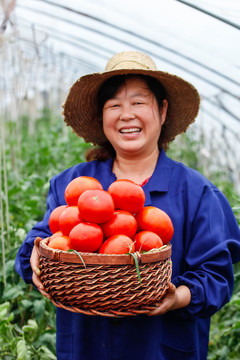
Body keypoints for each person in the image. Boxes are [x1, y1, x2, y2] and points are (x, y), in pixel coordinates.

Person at [15, 51, 240, 360]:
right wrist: (36, 255)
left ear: (162, 111)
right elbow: (44, 238)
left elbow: (216, 276)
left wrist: (179, 297)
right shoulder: (73, 185)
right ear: (102, 117)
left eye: (138, 102)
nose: (126, 114)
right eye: (114, 105)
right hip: (85, 347)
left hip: (162, 349)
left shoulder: (197, 192)